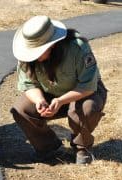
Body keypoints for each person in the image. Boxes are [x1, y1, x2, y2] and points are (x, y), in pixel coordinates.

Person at [11, 15, 107, 164]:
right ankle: (49, 148)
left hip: (84, 93)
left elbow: (88, 86)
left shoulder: (78, 47)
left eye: (37, 51)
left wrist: (61, 101)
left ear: (52, 45)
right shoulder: (25, 54)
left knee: (87, 109)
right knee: (21, 110)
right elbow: (28, 85)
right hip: (50, 93)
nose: (32, 56)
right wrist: (40, 101)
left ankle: (82, 147)